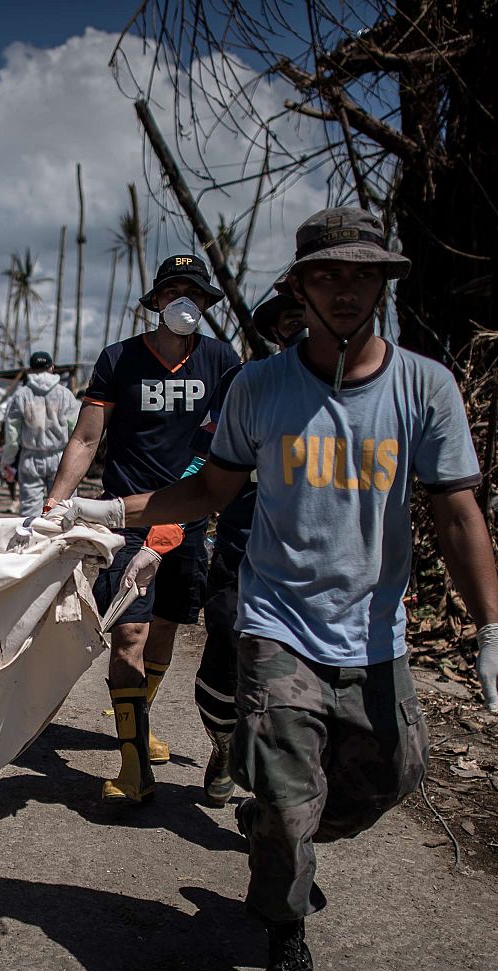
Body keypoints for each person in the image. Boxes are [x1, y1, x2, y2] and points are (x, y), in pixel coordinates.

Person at [48, 207, 498, 971]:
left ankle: (286, 838)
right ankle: (285, 947)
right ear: (299, 288)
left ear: (383, 285)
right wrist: (104, 513)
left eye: (363, 276)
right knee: (288, 801)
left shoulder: (426, 387)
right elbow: (208, 493)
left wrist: (495, 629)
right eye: (328, 276)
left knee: (393, 774)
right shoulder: (260, 388)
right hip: (276, 623)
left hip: (376, 632)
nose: (346, 290)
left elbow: (458, 512)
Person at [43, 254, 239, 804]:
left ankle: (141, 725)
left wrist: (174, 523)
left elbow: (221, 450)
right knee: (128, 634)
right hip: (124, 516)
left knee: (166, 633)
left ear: (205, 304)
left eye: (194, 293)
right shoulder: (120, 359)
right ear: (155, 302)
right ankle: (134, 769)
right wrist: (56, 504)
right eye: (174, 290)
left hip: (190, 519)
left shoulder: (224, 362)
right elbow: (86, 439)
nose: (185, 301)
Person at [192, 287, 305, 806]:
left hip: (316, 573)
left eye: (310, 314)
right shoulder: (247, 383)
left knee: (299, 691)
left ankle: (275, 802)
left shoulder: (370, 389)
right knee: (223, 661)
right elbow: (205, 463)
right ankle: (227, 745)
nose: (303, 327)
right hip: (242, 548)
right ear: (277, 331)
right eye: (290, 318)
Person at [0, 351, 78, 517]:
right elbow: (75, 430)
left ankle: (31, 541)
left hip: (30, 458)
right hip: (61, 456)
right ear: (52, 368)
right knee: (64, 510)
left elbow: (12, 436)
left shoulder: (20, 396)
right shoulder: (66, 395)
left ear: (30, 370)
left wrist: (7, 460)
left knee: (30, 511)